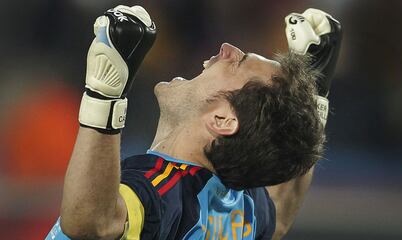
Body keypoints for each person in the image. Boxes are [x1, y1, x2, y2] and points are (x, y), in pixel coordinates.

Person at [46, 5, 341, 240]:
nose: (227, 48)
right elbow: (279, 216)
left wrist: (105, 94)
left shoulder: (165, 189)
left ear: (222, 120)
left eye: (237, 62)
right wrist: (316, 95)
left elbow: (90, 223)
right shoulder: (242, 207)